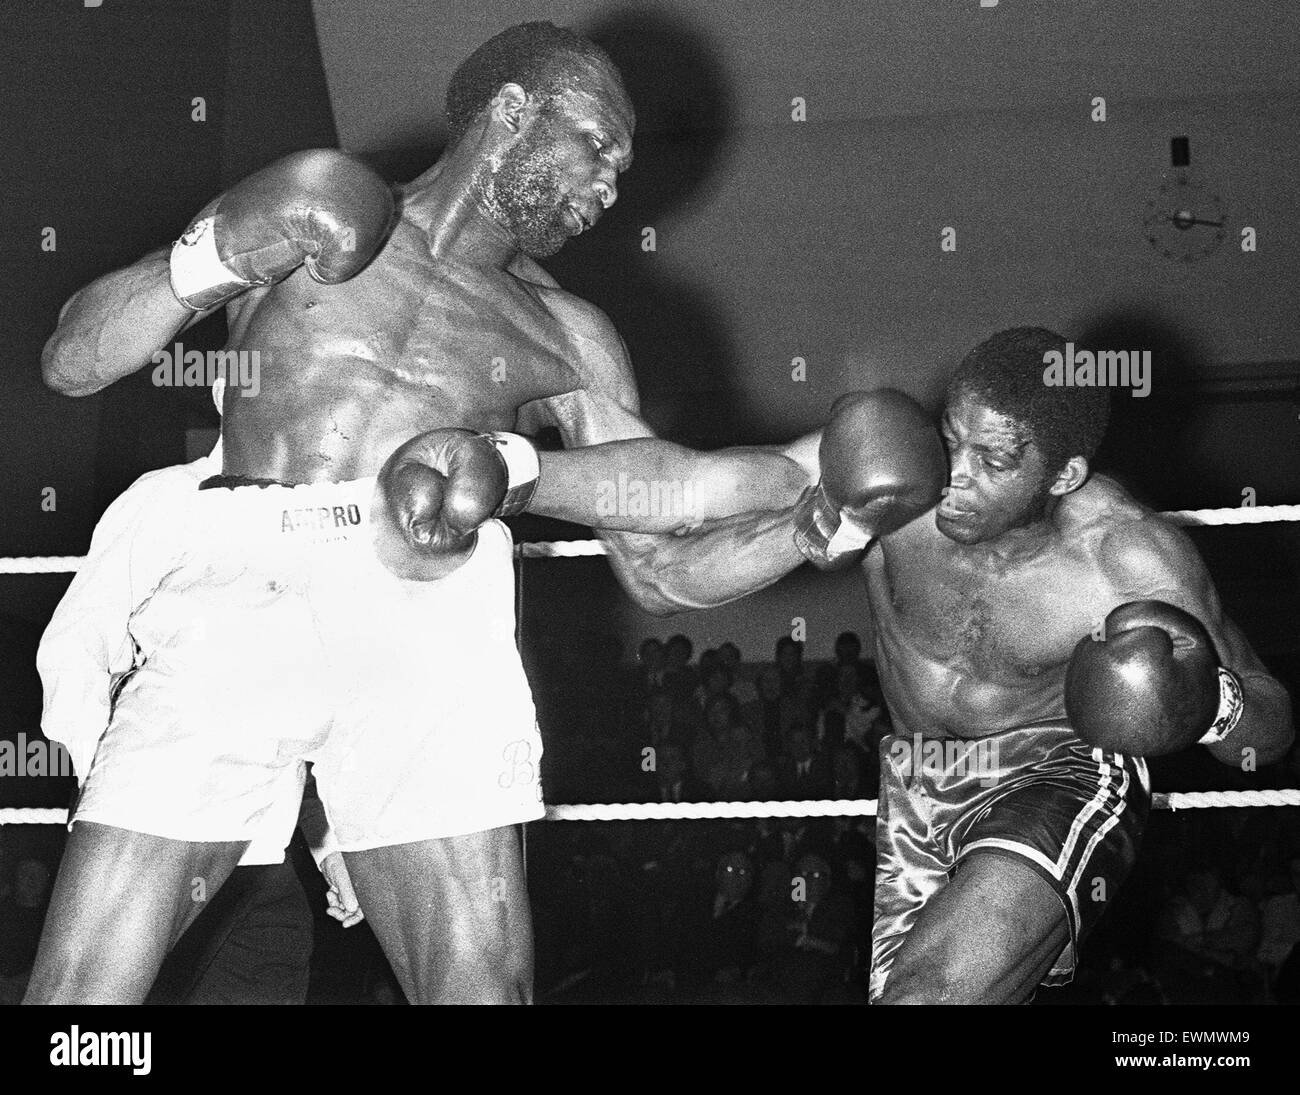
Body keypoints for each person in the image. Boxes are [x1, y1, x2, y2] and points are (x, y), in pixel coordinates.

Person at [29, 20, 942, 1004]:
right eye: (596, 144)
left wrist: (814, 529)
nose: (610, 186)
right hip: (238, 592)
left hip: (421, 631)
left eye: (622, 168)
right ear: (511, 113)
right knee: (81, 1000)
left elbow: (662, 569)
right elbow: (73, 362)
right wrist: (211, 257)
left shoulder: (565, 333)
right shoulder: (318, 211)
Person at [857, 327, 1293, 1003]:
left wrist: (1205, 703)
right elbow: (695, 546)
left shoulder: (1128, 557)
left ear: (1064, 475)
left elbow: (1270, 731)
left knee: (925, 997)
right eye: (951, 438)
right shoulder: (894, 477)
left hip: (1057, 766)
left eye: (994, 460)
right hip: (920, 780)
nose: (956, 474)